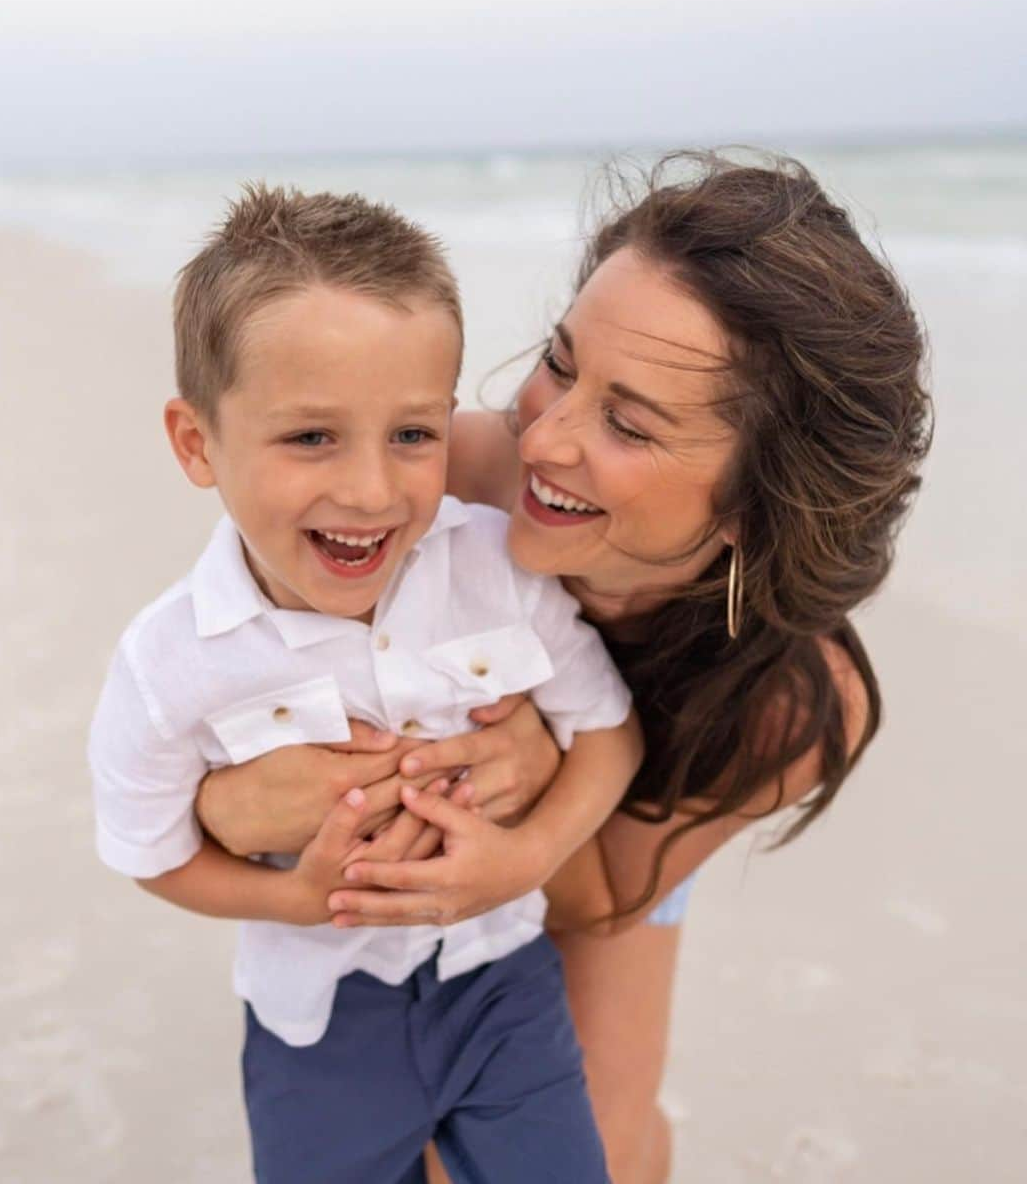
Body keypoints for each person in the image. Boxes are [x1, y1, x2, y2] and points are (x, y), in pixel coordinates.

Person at [195, 152, 932, 1183]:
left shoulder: (790, 705)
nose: (545, 435)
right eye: (561, 360)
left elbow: (594, 899)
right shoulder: (445, 474)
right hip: (428, 800)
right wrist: (231, 804)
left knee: (607, 1150)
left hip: (626, 834)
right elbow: (224, 649)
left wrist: (547, 765)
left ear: (752, 510)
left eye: (627, 422)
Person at [87, 184, 645, 1184]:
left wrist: (521, 860)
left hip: (502, 984)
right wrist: (295, 896)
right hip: (316, 1016)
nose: (373, 490)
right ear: (196, 442)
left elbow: (609, 732)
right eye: (311, 436)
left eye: (413, 434)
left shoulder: (494, 568)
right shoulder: (167, 660)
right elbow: (152, 851)